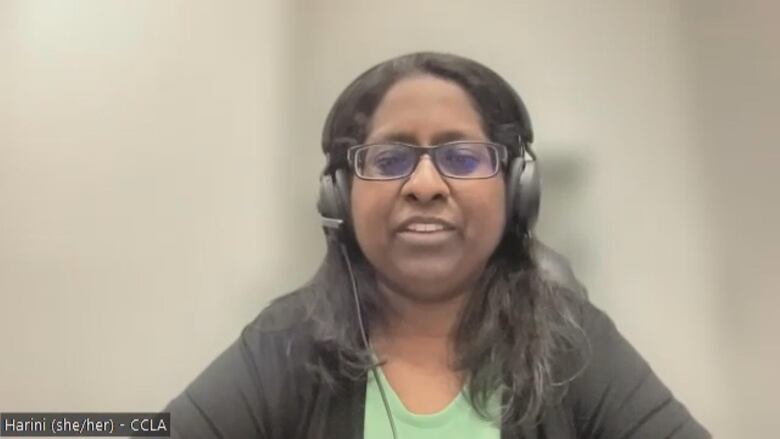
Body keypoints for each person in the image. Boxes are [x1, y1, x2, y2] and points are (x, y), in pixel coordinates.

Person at [157, 52, 711, 438]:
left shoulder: (572, 342)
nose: (424, 185)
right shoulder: (285, 344)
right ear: (339, 196)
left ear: (516, 191)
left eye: (462, 157)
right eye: (390, 159)